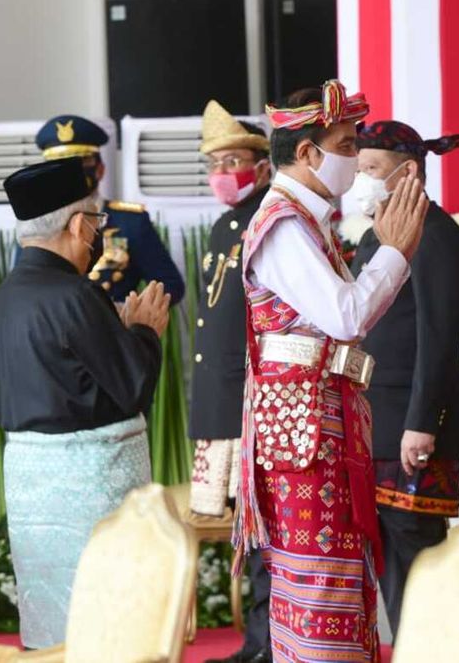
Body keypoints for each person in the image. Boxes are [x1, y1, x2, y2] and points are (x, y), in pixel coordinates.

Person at [234, 79, 428, 663]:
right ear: (308, 154)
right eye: (346, 145)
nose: (354, 160)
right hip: (303, 433)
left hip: (316, 422)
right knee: (320, 582)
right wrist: (393, 252)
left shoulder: (304, 218)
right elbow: (346, 316)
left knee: (334, 573)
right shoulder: (286, 224)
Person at [0, 157, 170, 648]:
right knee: (105, 626)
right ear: (80, 225)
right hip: (91, 486)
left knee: (53, 625)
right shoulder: (74, 296)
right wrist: (145, 332)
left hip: (30, 487)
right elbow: (132, 388)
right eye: (97, 223)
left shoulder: (0, 301)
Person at [348, 120, 459, 639]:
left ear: (409, 173)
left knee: (418, 565)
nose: (361, 180)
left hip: (411, 428)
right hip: (372, 425)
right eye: (358, 169)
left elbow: (439, 339)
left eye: (372, 169)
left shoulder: (438, 236)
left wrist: (421, 422)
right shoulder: (372, 236)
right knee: (386, 568)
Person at [188, 100, 274, 663]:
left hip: (254, 403)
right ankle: (254, 642)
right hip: (224, 403)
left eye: (234, 161)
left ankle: (267, 644)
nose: (224, 174)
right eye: (215, 164)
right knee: (246, 529)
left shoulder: (271, 220)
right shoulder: (225, 224)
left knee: (265, 530)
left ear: (262, 166)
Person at [34, 114, 185, 304]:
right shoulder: (36, 223)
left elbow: (170, 286)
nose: (67, 176)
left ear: (100, 169)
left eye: (79, 164)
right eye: (57, 166)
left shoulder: (129, 222)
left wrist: (124, 313)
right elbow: (23, 282)